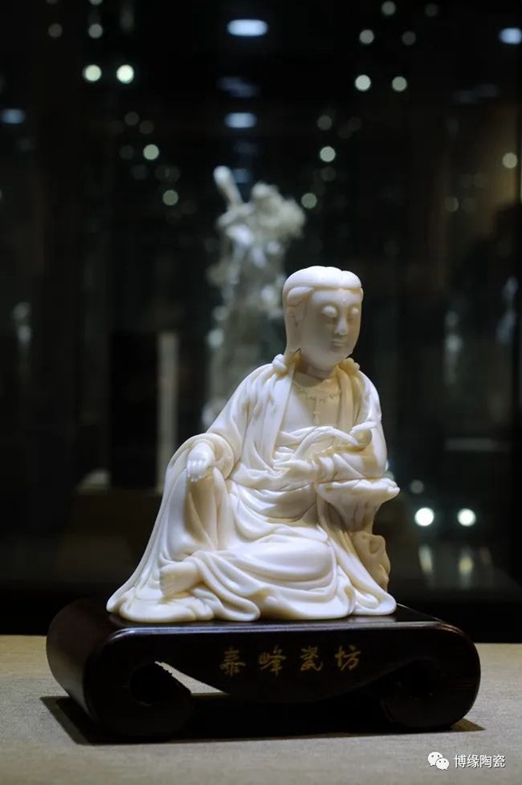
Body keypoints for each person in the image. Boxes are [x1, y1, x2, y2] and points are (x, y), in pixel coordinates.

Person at [107, 266, 399, 622]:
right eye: (328, 317)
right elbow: (225, 438)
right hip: (244, 503)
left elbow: (374, 460)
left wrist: (315, 469)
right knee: (191, 473)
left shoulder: (358, 389)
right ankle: (186, 565)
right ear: (295, 320)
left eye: (351, 318)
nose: (341, 329)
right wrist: (205, 451)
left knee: (319, 560)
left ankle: (201, 571)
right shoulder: (264, 383)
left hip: (304, 522)